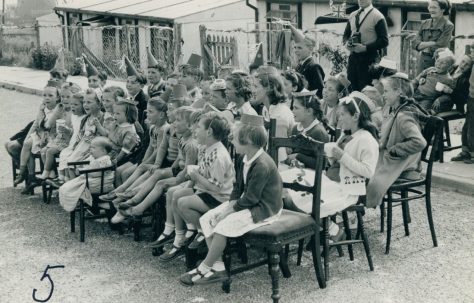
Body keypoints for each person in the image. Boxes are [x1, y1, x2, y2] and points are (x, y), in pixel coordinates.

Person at [179, 114, 283, 286]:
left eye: (234, 138)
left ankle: (205, 267)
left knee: (222, 226)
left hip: (264, 208)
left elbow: (251, 198)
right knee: (207, 219)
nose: (231, 140)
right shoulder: (245, 157)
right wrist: (227, 207)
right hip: (249, 203)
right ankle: (218, 267)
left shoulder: (262, 165)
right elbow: (238, 188)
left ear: (247, 140)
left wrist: (228, 211)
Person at [281, 94, 379, 240]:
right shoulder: (346, 135)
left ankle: (327, 230)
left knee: (300, 197)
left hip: (347, 189)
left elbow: (368, 171)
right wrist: (333, 158)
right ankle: (324, 229)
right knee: (287, 187)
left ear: (356, 116)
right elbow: (338, 164)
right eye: (338, 115)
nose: (338, 119)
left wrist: (341, 156)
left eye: (342, 115)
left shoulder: (366, 139)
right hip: (331, 179)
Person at [158, 113, 235, 262]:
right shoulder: (205, 147)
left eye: (198, 127)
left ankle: (202, 230)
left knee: (183, 203)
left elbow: (216, 188)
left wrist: (196, 176)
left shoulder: (218, 155)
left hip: (219, 198)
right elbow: (202, 171)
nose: (195, 130)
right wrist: (194, 176)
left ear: (209, 132)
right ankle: (180, 236)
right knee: (175, 194)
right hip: (205, 191)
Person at [110, 106, 199, 223]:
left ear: (189, 125)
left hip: (184, 176)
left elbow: (188, 170)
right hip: (178, 171)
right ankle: (130, 196)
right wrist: (170, 169)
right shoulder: (183, 139)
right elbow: (178, 158)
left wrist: (175, 178)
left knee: (160, 182)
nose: (174, 123)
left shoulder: (191, 145)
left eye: (177, 120)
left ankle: (135, 204)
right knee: (156, 173)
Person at [366, 73, 428, 208]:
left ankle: (357, 210)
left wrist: (395, 150)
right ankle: (357, 209)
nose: (383, 94)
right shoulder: (396, 110)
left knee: (368, 174)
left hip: (407, 165)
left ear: (398, 92)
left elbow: (420, 142)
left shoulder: (403, 116)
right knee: (363, 165)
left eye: (386, 91)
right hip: (397, 159)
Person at [14, 81, 62, 187]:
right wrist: (27, 137)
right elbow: (36, 124)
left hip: (53, 136)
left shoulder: (59, 109)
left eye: (50, 95)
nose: (46, 98)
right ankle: (22, 173)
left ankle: (48, 174)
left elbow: (58, 127)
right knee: (27, 144)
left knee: (39, 148)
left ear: (58, 98)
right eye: (44, 95)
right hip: (41, 134)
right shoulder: (42, 108)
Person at [39, 82, 82, 180]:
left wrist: (66, 130)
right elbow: (49, 124)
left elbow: (76, 130)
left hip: (68, 140)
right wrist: (56, 112)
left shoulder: (75, 111)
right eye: (62, 96)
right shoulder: (61, 108)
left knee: (49, 151)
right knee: (43, 151)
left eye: (68, 96)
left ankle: (46, 172)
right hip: (59, 138)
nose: (65, 99)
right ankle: (52, 171)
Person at [343, 0, 389, 91]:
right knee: (352, 89)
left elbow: (384, 41)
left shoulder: (378, 16)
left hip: (369, 61)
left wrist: (365, 48)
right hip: (353, 59)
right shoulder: (352, 15)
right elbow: (346, 35)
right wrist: (346, 43)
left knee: (366, 91)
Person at [59, 136, 114, 212]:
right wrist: (81, 168)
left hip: (101, 183)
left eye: (93, 148)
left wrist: (84, 171)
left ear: (103, 151)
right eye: (90, 147)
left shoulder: (104, 160)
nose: (90, 149)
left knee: (72, 188)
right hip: (92, 179)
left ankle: (88, 204)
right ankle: (84, 204)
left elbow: (99, 173)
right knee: (66, 187)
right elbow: (87, 164)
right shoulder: (94, 157)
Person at [255, 67, 295, 162]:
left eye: (256, 87)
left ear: (268, 88)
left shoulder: (280, 115)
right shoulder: (266, 108)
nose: (253, 90)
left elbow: (279, 155)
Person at [64, 88, 104, 179]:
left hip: (93, 148)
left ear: (99, 104)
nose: (85, 105)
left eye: (89, 102)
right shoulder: (85, 119)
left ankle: (78, 186)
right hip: (82, 146)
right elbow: (81, 135)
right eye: (84, 102)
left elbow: (102, 137)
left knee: (77, 165)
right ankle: (71, 185)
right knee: (70, 162)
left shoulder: (102, 118)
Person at [287, 91, 329, 168]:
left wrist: (298, 156)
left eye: (296, 108)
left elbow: (322, 164)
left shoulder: (318, 132)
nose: (292, 111)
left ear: (309, 111)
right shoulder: (295, 129)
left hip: (313, 175)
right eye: (293, 107)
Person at [412, 0, 454, 75]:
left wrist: (422, 45)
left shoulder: (448, 25)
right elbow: (415, 43)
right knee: (419, 83)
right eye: (430, 7)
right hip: (422, 61)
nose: (431, 10)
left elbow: (441, 45)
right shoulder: (424, 23)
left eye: (434, 7)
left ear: (442, 9)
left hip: (438, 62)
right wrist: (432, 43)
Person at [452, 64, 474, 163]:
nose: (472, 51)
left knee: (472, 127)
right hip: (471, 97)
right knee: (467, 126)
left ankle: (472, 153)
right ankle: (465, 151)